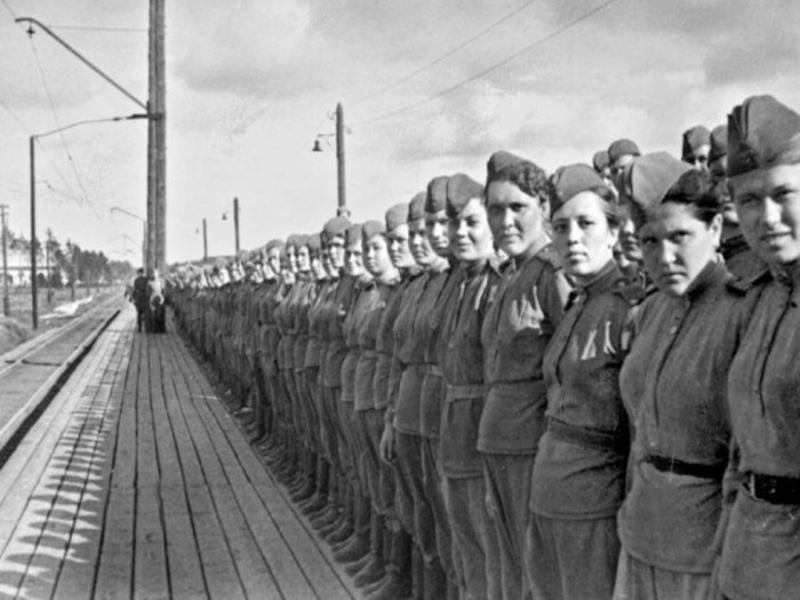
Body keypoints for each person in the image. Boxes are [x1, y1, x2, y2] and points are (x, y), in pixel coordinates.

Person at [613, 153, 756, 599]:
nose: (664, 257)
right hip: (640, 534)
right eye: (649, 241)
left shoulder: (742, 312)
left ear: (715, 229)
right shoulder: (650, 312)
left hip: (705, 550)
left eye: (680, 236)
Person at [526, 164, 642, 599]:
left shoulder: (629, 309)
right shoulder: (577, 301)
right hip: (548, 494)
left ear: (613, 232)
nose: (572, 237)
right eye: (561, 227)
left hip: (594, 504)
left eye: (586, 224)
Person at [718, 94, 800, 600]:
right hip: (748, 553)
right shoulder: (759, 298)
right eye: (749, 200)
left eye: (783, 193)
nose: (767, 217)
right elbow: (741, 445)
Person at [480, 150, 570, 600]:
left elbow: (570, 374)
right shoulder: (511, 276)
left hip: (531, 446)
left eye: (518, 207)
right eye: (496, 209)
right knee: (509, 567)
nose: (505, 221)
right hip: (499, 442)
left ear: (544, 207)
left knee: (535, 574)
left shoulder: (553, 275)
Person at [438, 173, 501, 600]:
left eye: (472, 223)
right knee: (464, 548)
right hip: (454, 434)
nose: (461, 233)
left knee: (488, 551)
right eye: (454, 223)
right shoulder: (460, 285)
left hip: (481, 438)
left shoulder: (496, 286)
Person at [132, 268, 149, 333]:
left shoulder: (136, 280)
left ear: (141, 273)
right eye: (139, 273)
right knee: (144, 314)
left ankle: (140, 329)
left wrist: (133, 298)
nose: (139, 274)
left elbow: (134, 290)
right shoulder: (146, 279)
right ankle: (143, 328)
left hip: (140, 298)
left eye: (140, 273)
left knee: (139, 314)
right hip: (144, 298)